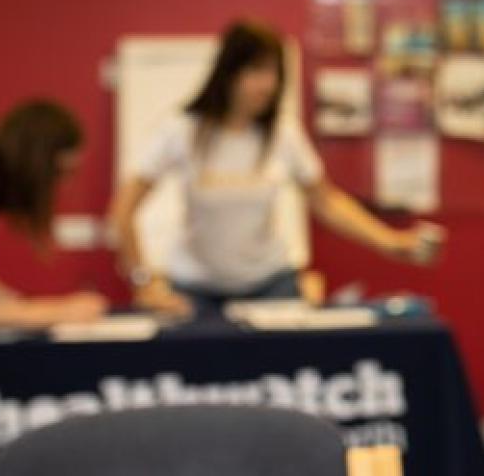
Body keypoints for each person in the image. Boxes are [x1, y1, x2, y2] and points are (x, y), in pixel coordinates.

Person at [109, 20, 445, 320]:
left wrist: (392, 242)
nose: (266, 85)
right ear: (229, 71)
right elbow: (124, 210)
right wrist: (145, 281)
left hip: (271, 284)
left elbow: (327, 201)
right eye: (256, 71)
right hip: (194, 288)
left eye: (274, 74)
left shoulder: (283, 133)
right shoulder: (181, 130)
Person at [0, 100, 108, 328]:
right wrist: (48, 313)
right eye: (60, 173)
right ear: (38, 162)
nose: (62, 186)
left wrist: (21, 305)